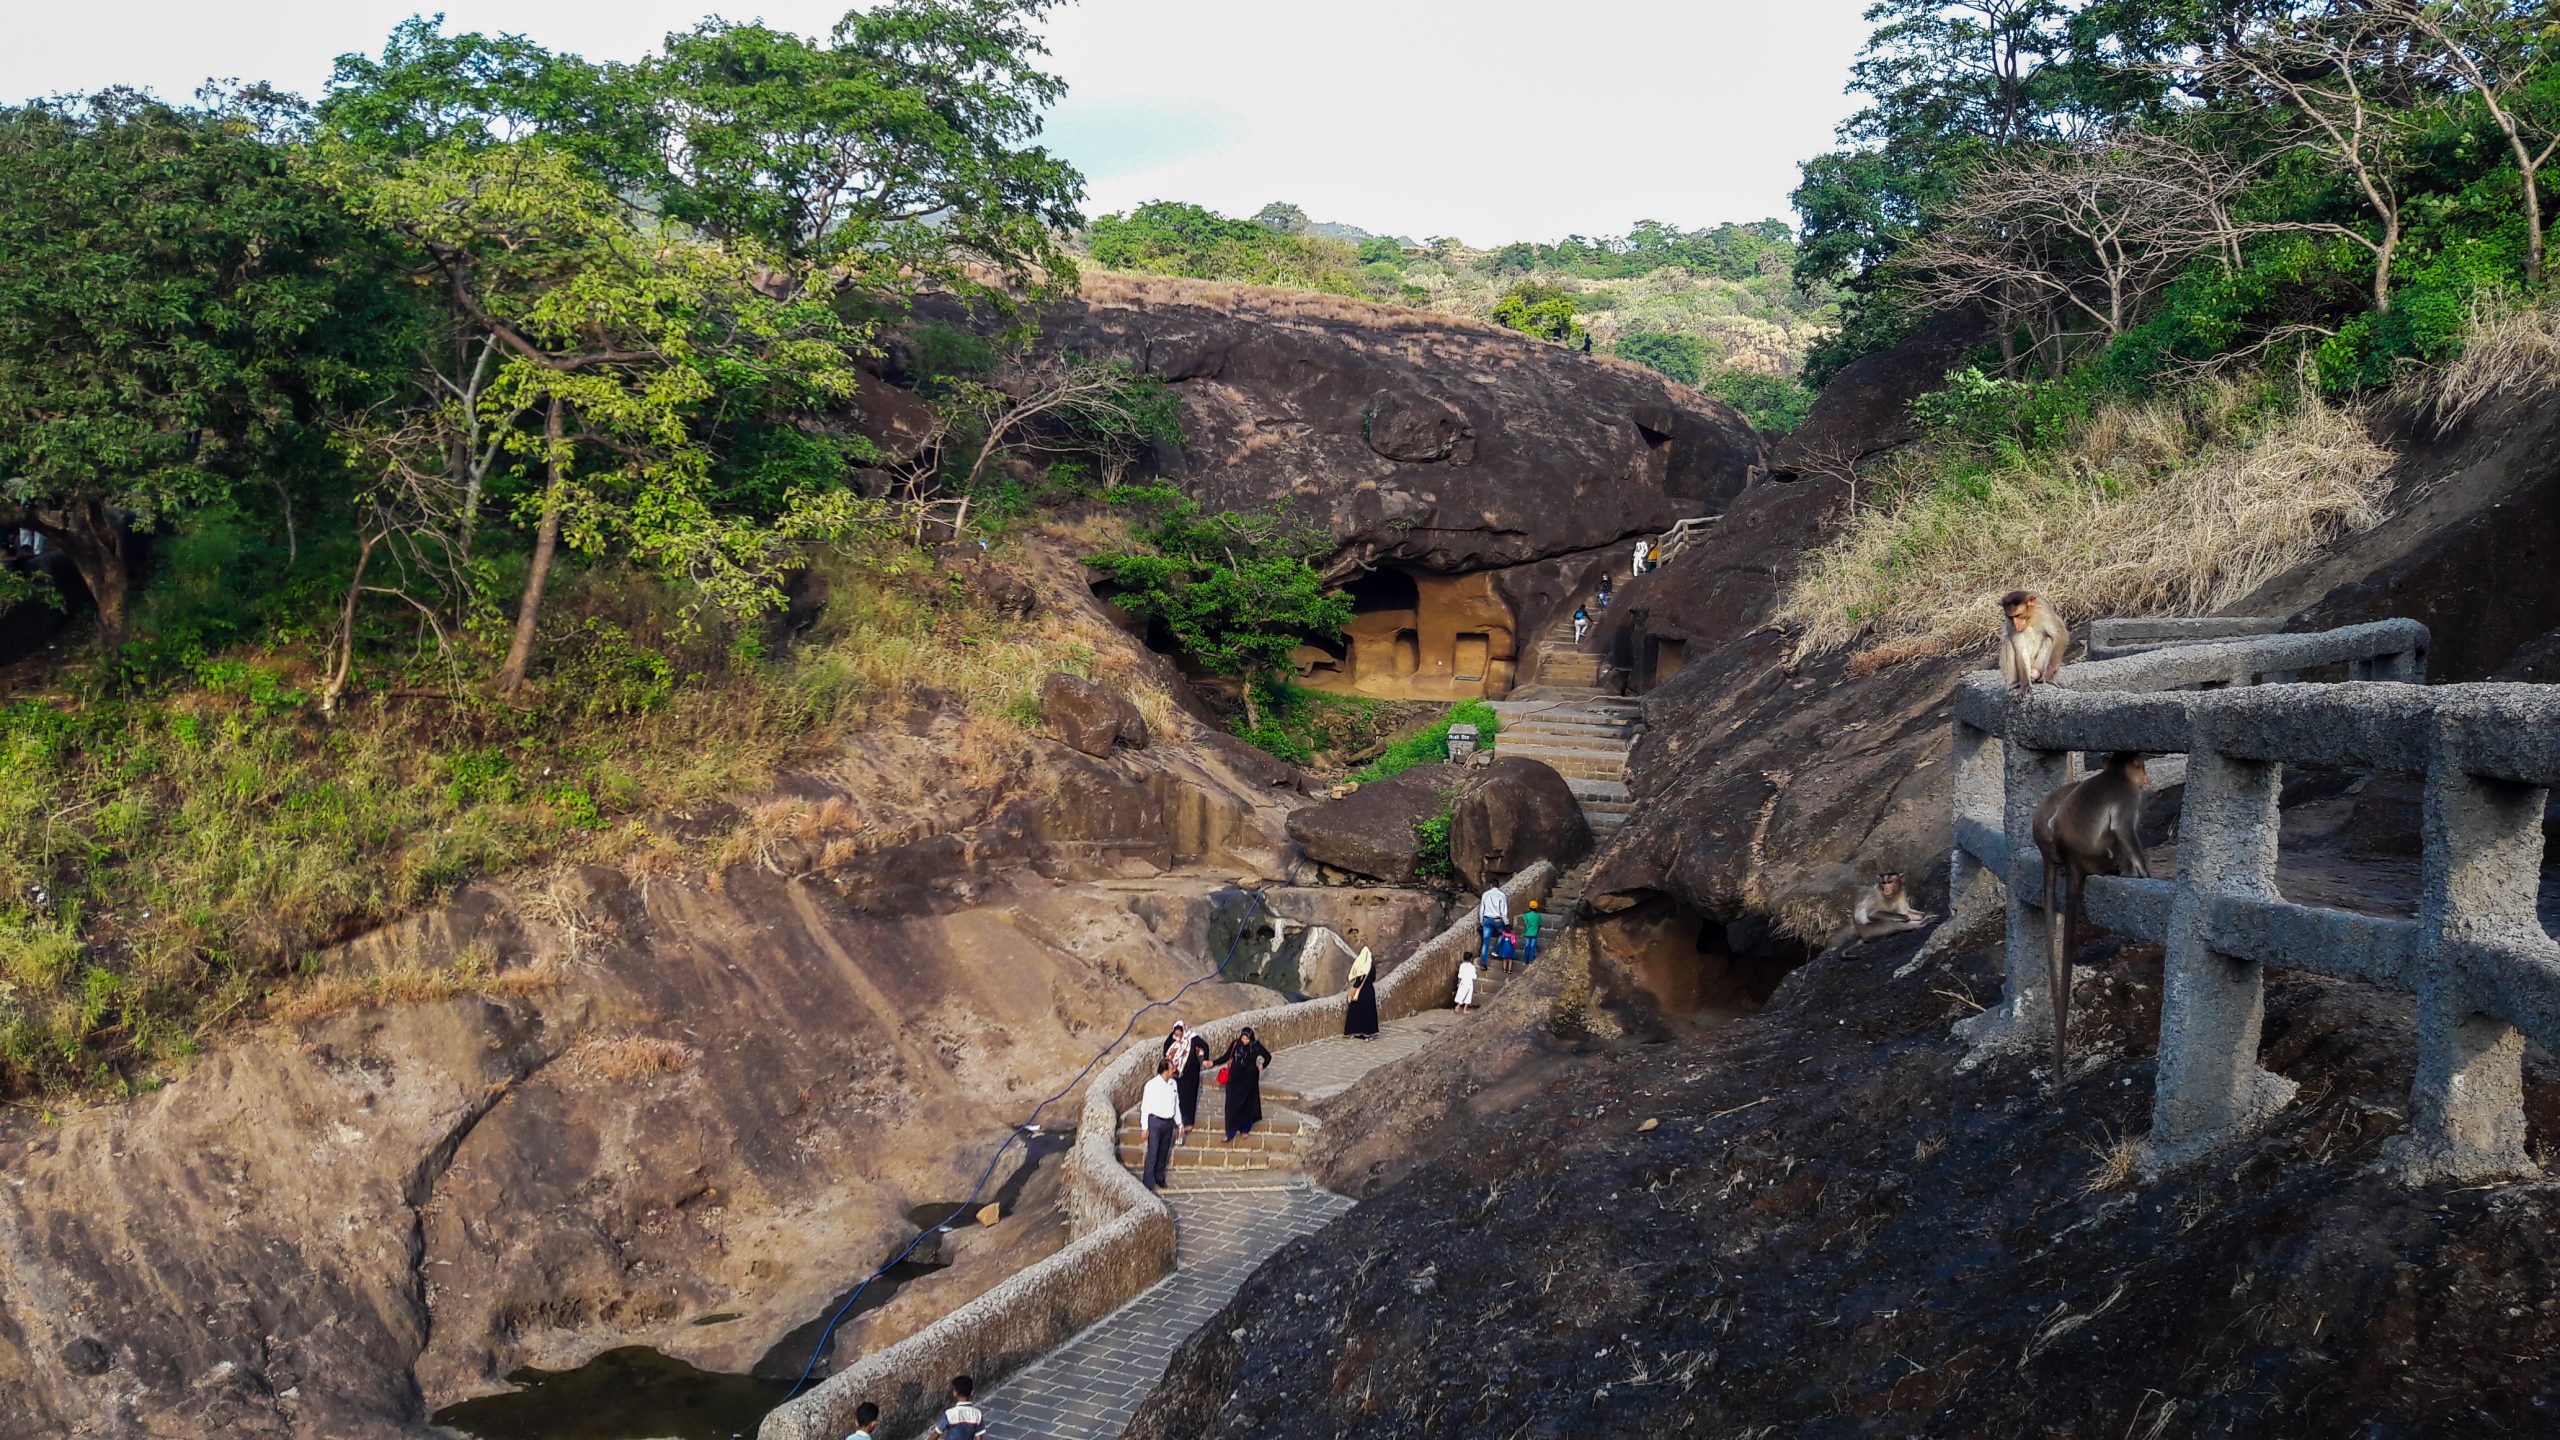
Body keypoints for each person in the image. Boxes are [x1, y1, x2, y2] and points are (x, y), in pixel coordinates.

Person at [1220, 1026, 1273, 1141]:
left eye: (1246, 1039)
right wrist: (1213, 1063)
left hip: (1249, 1080)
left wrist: (1262, 1066)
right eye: (1243, 1038)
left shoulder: (1256, 1046)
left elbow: (1268, 1057)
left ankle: (1245, 1129)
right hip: (1234, 1079)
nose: (1244, 1041)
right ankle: (1230, 1132)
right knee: (1230, 1105)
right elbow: (1226, 1056)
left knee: (1246, 1104)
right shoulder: (1236, 1044)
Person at [1140, 1054, 1182, 1191]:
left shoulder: (1173, 1084)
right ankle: (1148, 1182)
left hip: (1168, 1123)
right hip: (1155, 1122)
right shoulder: (1151, 1085)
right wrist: (1144, 1127)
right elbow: (1145, 1106)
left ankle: (1159, 1177)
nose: (1173, 1071)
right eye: (1171, 1069)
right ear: (1165, 1070)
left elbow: (1176, 1104)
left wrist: (1179, 1123)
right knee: (1153, 1153)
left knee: (1163, 1152)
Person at [1342, 947, 1379, 1039]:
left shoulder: (1360, 966)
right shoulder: (1371, 967)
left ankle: (1354, 1031)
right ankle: (1368, 1032)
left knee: (1356, 1012)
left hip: (1359, 991)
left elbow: (1356, 979)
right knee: (1368, 1012)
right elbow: (1373, 978)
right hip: (1369, 991)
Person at [1177, 1034, 1211, 1128]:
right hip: (1179, 1073)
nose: (1178, 1033)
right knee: (1178, 1096)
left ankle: (1188, 1121)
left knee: (1190, 1097)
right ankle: (1179, 1120)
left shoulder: (1192, 1037)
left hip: (1192, 1073)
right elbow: (1167, 1050)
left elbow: (1205, 1046)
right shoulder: (1173, 1038)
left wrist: (1205, 1059)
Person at [1479, 882, 1509, 958]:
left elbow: (1482, 909)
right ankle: (1495, 950)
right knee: (1503, 933)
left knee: (1485, 942)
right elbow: (1503, 911)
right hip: (1497, 919)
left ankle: (1483, 963)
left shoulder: (1485, 894)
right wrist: (1506, 922)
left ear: (1491, 885)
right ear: (1498, 885)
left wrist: (1481, 921)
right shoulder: (1501, 895)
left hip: (1487, 919)